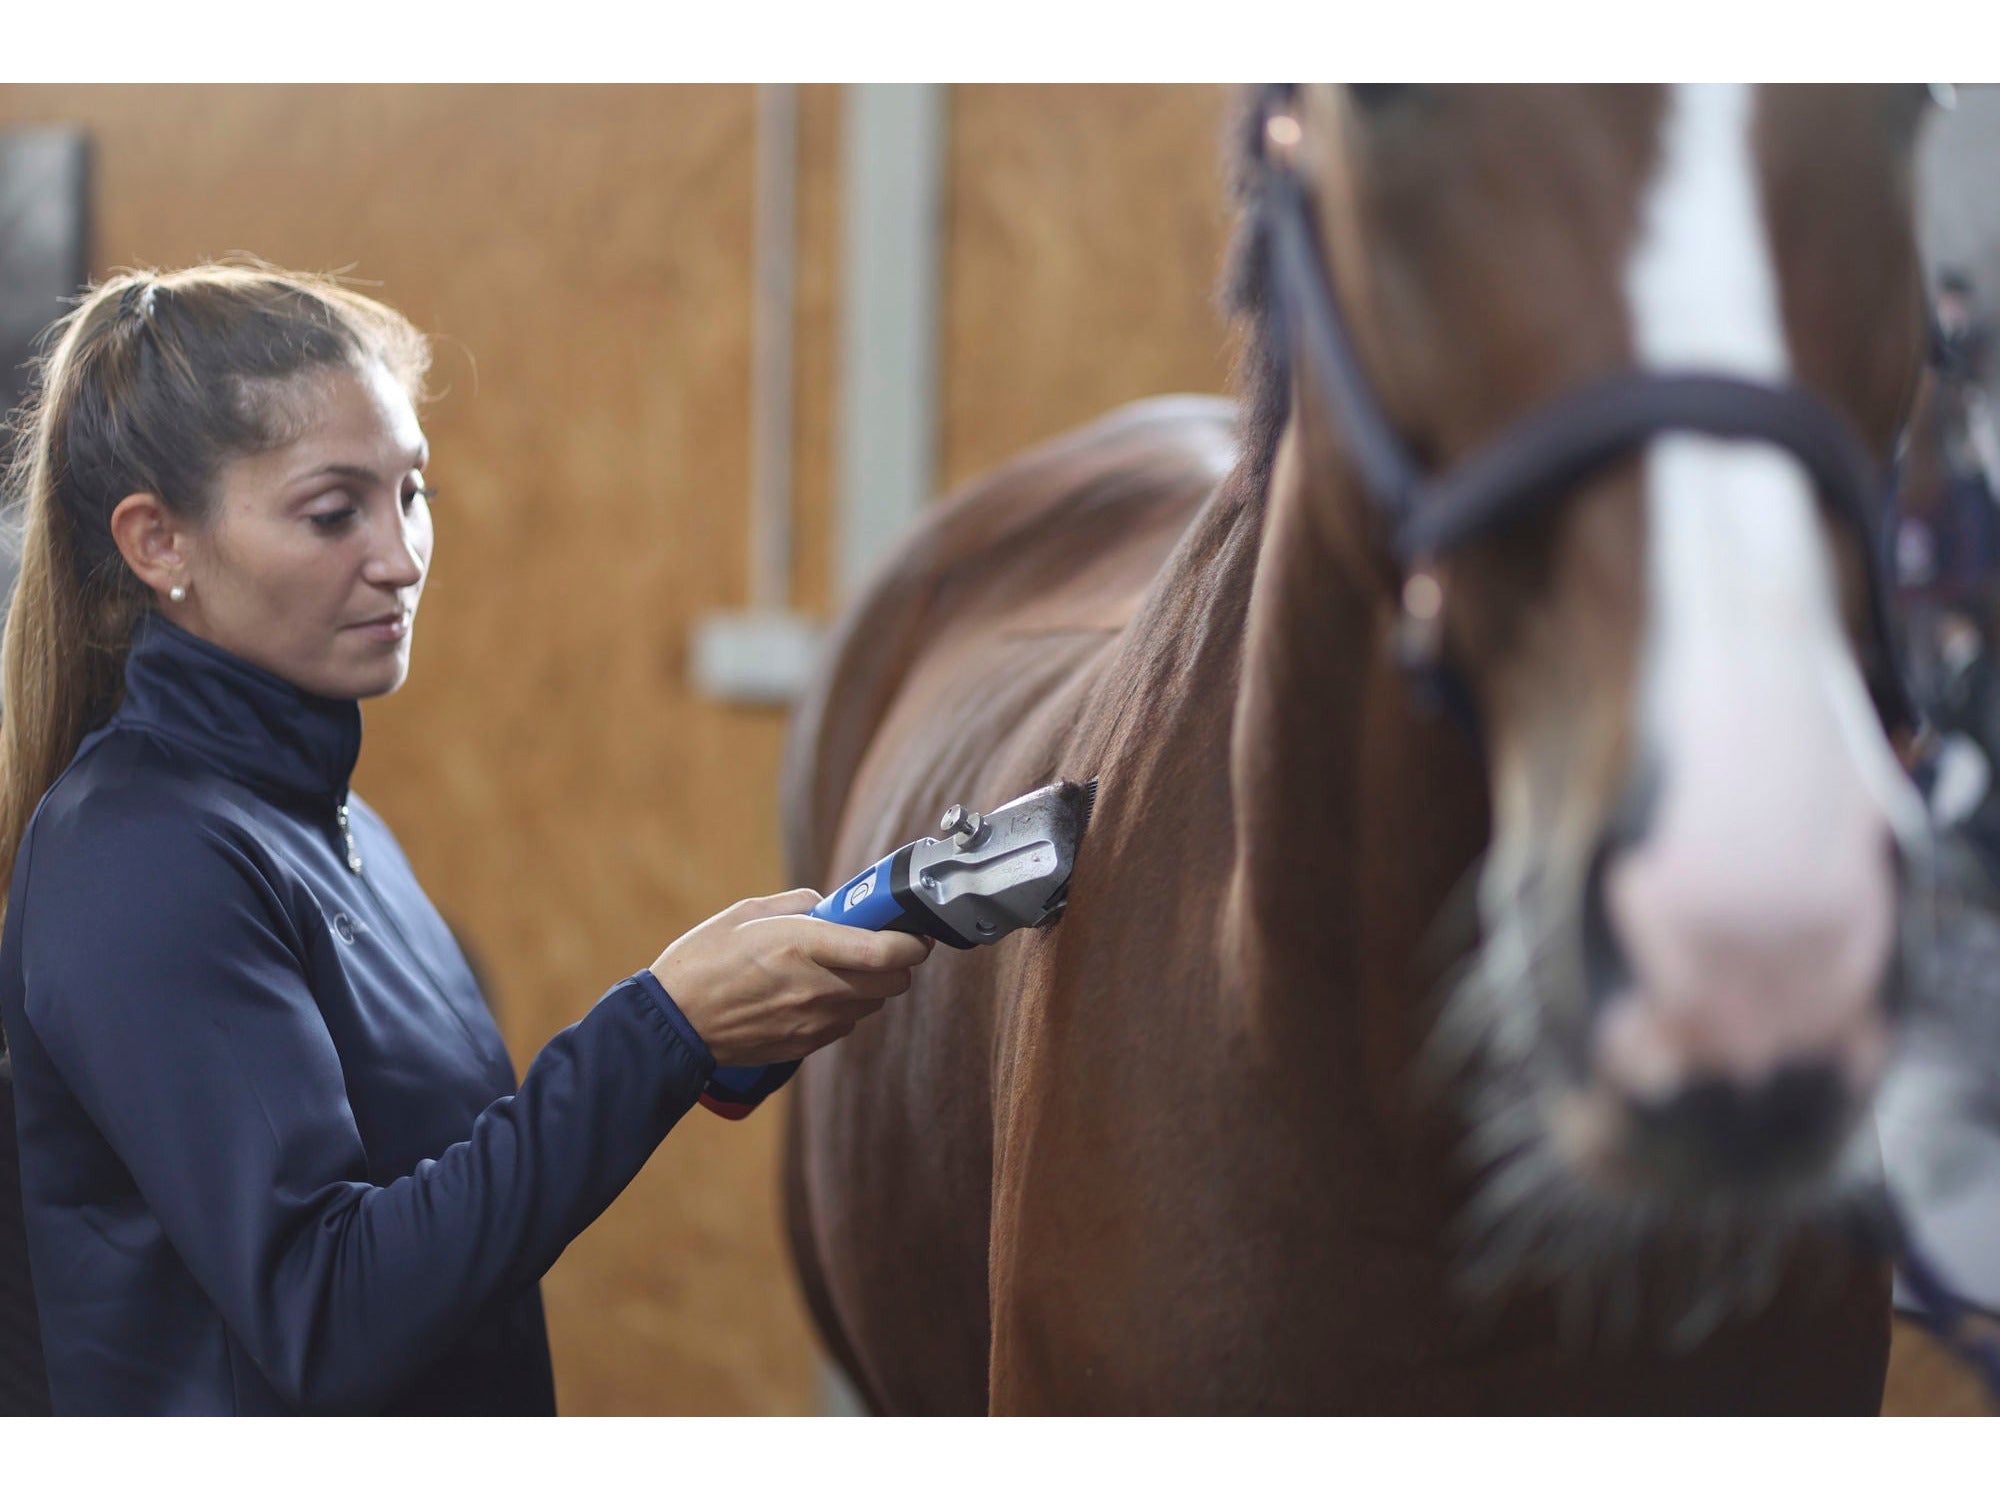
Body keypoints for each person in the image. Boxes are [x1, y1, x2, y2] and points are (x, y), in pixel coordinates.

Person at [0, 263, 931, 1415]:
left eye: (413, 493)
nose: (399, 556)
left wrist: (705, 1030)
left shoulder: (330, 826)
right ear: (158, 544)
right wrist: (661, 1030)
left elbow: (441, 1227)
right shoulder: (138, 860)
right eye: (334, 511)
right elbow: (330, 1314)